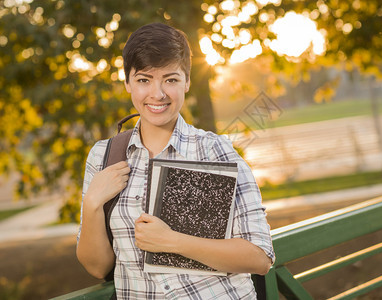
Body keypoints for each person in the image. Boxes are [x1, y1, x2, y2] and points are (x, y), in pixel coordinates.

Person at [76, 22, 275, 299]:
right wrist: (92, 203)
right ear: (127, 83)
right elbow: (98, 267)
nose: (157, 94)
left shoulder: (215, 151)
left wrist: (172, 241)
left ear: (187, 82)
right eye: (144, 80)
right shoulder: (104, 156)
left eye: (170, 79)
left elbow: (259, 257)